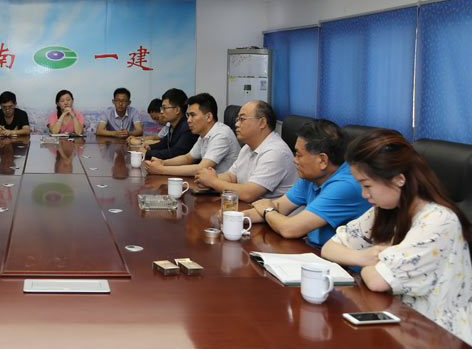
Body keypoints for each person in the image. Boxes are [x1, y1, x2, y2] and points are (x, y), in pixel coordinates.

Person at [321, 129, 472, 344]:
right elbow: (329, 247)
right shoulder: (386, 209)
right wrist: (365, 257)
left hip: (438, 334)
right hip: (397, 322)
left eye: (367, 185)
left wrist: (369, 265)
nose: (364, 194)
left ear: (399, 179)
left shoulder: (439, 221)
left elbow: (377, 280)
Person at [243, 119, 370, 247]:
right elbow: (279, 207)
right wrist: (236, 217)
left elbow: (289, 229)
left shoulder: (345, 186)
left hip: (335, 258)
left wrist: (268, 210)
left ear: (323, 160)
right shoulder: (312, 177)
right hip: (313, 250)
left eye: (299, 155)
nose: (294, 160)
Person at [195, 100, 296, 202]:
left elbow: (249, 194)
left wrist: (213, 182)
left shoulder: (275, 152)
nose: (236, 124)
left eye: (242, 119)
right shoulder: (247, 147)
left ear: (262, 122)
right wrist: (207, 178)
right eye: (237, 119)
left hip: (271, 211)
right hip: (248, 207)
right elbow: (230, 177)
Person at [144, 92, 240, 176]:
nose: (188, 120)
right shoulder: (204, 135)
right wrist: (162, 162)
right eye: (188, 115)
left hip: (225, 188)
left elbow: (201, 168)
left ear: (208, 117)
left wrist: (161, 170)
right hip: (209, 184)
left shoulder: (221, 134)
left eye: (193, 115)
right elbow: (188, 158)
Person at [140, 89, 198, 160]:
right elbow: (164, 143)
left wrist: (148, 153)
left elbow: (175, 153)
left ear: (177, 110)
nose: (161, 112)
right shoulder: (173, 126)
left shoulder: (187, 128)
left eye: (164, 108)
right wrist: (150, 147)